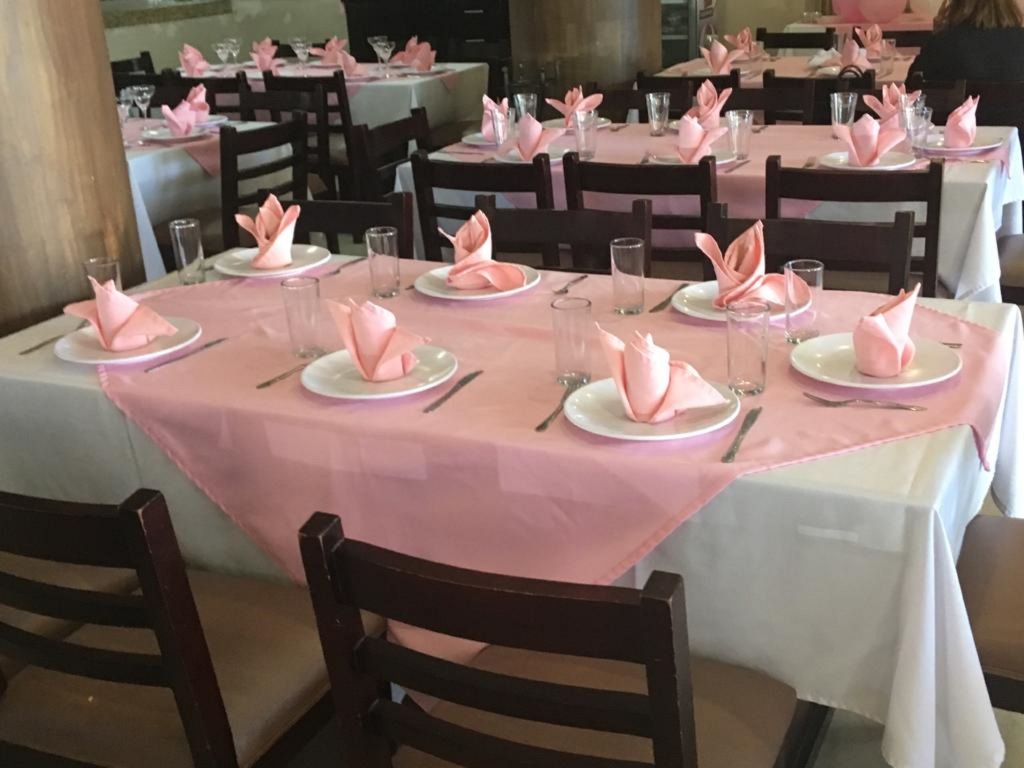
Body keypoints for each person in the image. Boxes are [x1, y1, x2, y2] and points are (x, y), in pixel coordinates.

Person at [907, 0, 1024, 82]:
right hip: (1014, 111)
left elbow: (910, 90)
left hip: (953, 111)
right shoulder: (1020, 42)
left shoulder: (942, 43)